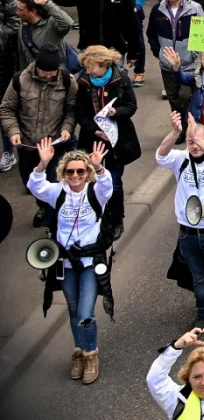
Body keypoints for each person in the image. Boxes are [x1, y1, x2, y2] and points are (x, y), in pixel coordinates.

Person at [26, 137, 112, 384]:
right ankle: (79, 352)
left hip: (89, 263)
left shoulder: (96, 192)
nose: (75, 175)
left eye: (80, 171)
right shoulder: (57, 192)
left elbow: (108, 186)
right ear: (63, 173)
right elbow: (35, 186)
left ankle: (91, 354)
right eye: (70, 171)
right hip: (64, 263)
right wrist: (42, 164)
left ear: (87, 173)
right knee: (73, 310)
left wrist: (100, 167)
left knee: (86, 312)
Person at [156, 111, 204, 334]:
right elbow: (161, 155)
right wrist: (176, 132)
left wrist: (197, 136)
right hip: (189, 233)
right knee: (199, 283)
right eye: (191, 142)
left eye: (199, 140)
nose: (195, 145)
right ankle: (203, 316)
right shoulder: (180, 159)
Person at [0, 44, 77, 226]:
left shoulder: (66, 80)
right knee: (32, 184)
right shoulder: (20, 80)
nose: (50, 76)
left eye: (53, 72)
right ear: (36, 67)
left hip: (54, 147)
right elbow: (6, 109)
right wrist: (13, 132)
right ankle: (43, 206)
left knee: (53, 183)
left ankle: (53, 225)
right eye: (45, 72)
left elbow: (72, 110)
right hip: (28, 146)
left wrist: (67, 128)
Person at [71, 45, 138, 238]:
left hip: (117, 140)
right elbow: (81, 114)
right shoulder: (83, 82)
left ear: (104, 65)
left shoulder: (121, 79)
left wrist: (116, 112)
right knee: (93, 181)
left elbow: (132, 106)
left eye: (91, 67)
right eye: (86, 67)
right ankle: (102, 216)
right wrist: (96, 131)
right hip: (93, 139)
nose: (88, 70)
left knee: (114, 182)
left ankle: (117, 218)